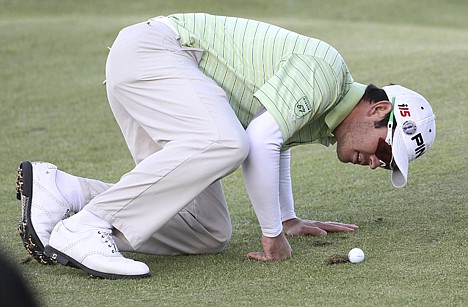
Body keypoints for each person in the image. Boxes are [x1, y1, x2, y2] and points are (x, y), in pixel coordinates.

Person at [15, 13, 436, 279]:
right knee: (226, 142)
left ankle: (66, 194)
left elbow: (277, 143)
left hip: (160, 74)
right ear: (379, 108)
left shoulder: (327, 116)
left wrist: (287, 219)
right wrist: (272, 236)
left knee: (207, 232)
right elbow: (260, 139)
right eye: (386, 150)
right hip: (157, 53)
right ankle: (87, 228)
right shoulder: (328, 72)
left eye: (389, 164)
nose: (379, 164)